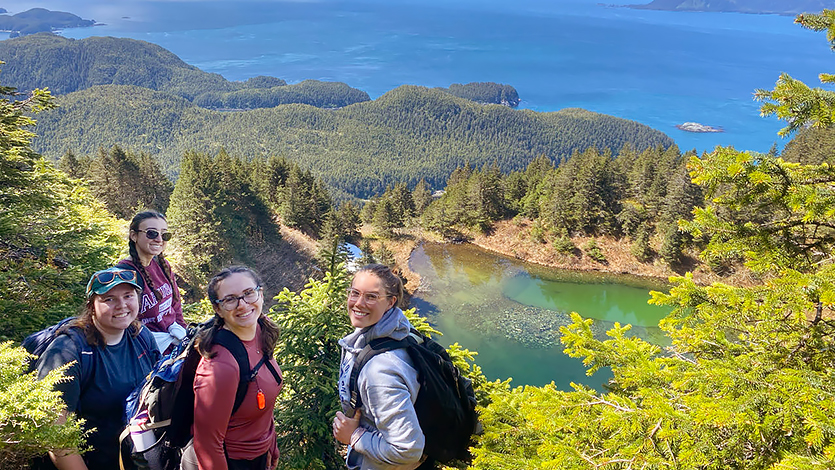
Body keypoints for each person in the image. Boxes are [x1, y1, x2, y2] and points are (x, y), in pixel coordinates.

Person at [36, 267, 160, 469]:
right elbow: (55, 436)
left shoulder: (141, 336)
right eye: (109, 299)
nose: (122, 305)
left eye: (128, 296)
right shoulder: (67, 353)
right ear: (92, 305)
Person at [180, 266, 283, 470]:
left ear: (260, 294)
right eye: (230, 299)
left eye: (248, 293)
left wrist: (271, 444)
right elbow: (207, 445)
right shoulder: (220, 365)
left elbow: (262, 401)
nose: (243, 305)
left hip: (258, 455)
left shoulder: (262, 331)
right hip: (229, 461)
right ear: (218, 309)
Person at [333, 264, 426, 470]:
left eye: (372, 297)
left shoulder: (380, 372)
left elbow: (407, 450)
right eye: (354, 293)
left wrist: (354, 436)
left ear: (391, 302)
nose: (358, 303)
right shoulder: (399, 332)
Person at [119, 210, 187, 353]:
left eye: (164, 234)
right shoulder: (124, 274)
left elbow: (175, 305)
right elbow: (121, 321)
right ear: (134, 236)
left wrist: (184, 337)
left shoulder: (163, 266)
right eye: (152, 233)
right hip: (145, 351)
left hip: (174, 345)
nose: (159, 239)